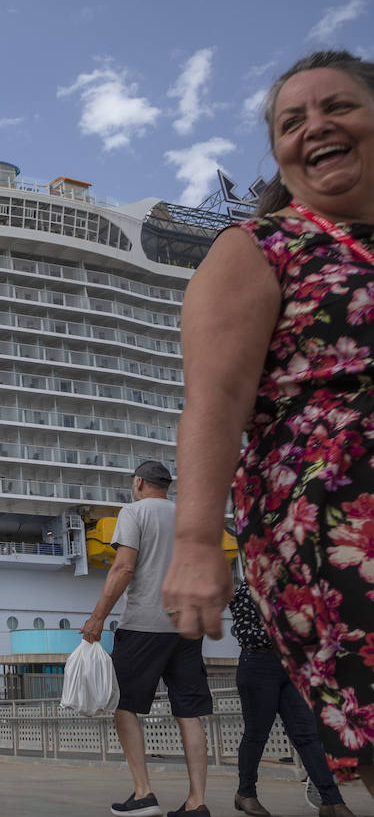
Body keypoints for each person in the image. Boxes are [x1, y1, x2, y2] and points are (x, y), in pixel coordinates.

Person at [162, 49, 374, 799]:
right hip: (343, 531)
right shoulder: (261, 247)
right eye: (293, 120)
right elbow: (213, 398)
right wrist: (195, 542)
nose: (315, 126)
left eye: (337, 107)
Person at [82, 461, 211, 817]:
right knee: (189, 713)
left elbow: (123, 567)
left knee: (124, 705)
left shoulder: (134, 512)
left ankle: (143, 793)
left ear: (138, 482)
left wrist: (97, 617)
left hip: (144, 624)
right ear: (166, 485)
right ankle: (196, 802)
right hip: (187, 627)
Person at [229, 576, 353, 817]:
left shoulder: (298, 586)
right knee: (256, 734)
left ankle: (331, 800)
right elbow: (247, 634)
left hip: (292, 666)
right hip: (259, 662)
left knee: (307, 733)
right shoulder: (249, 587)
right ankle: (245, 793)